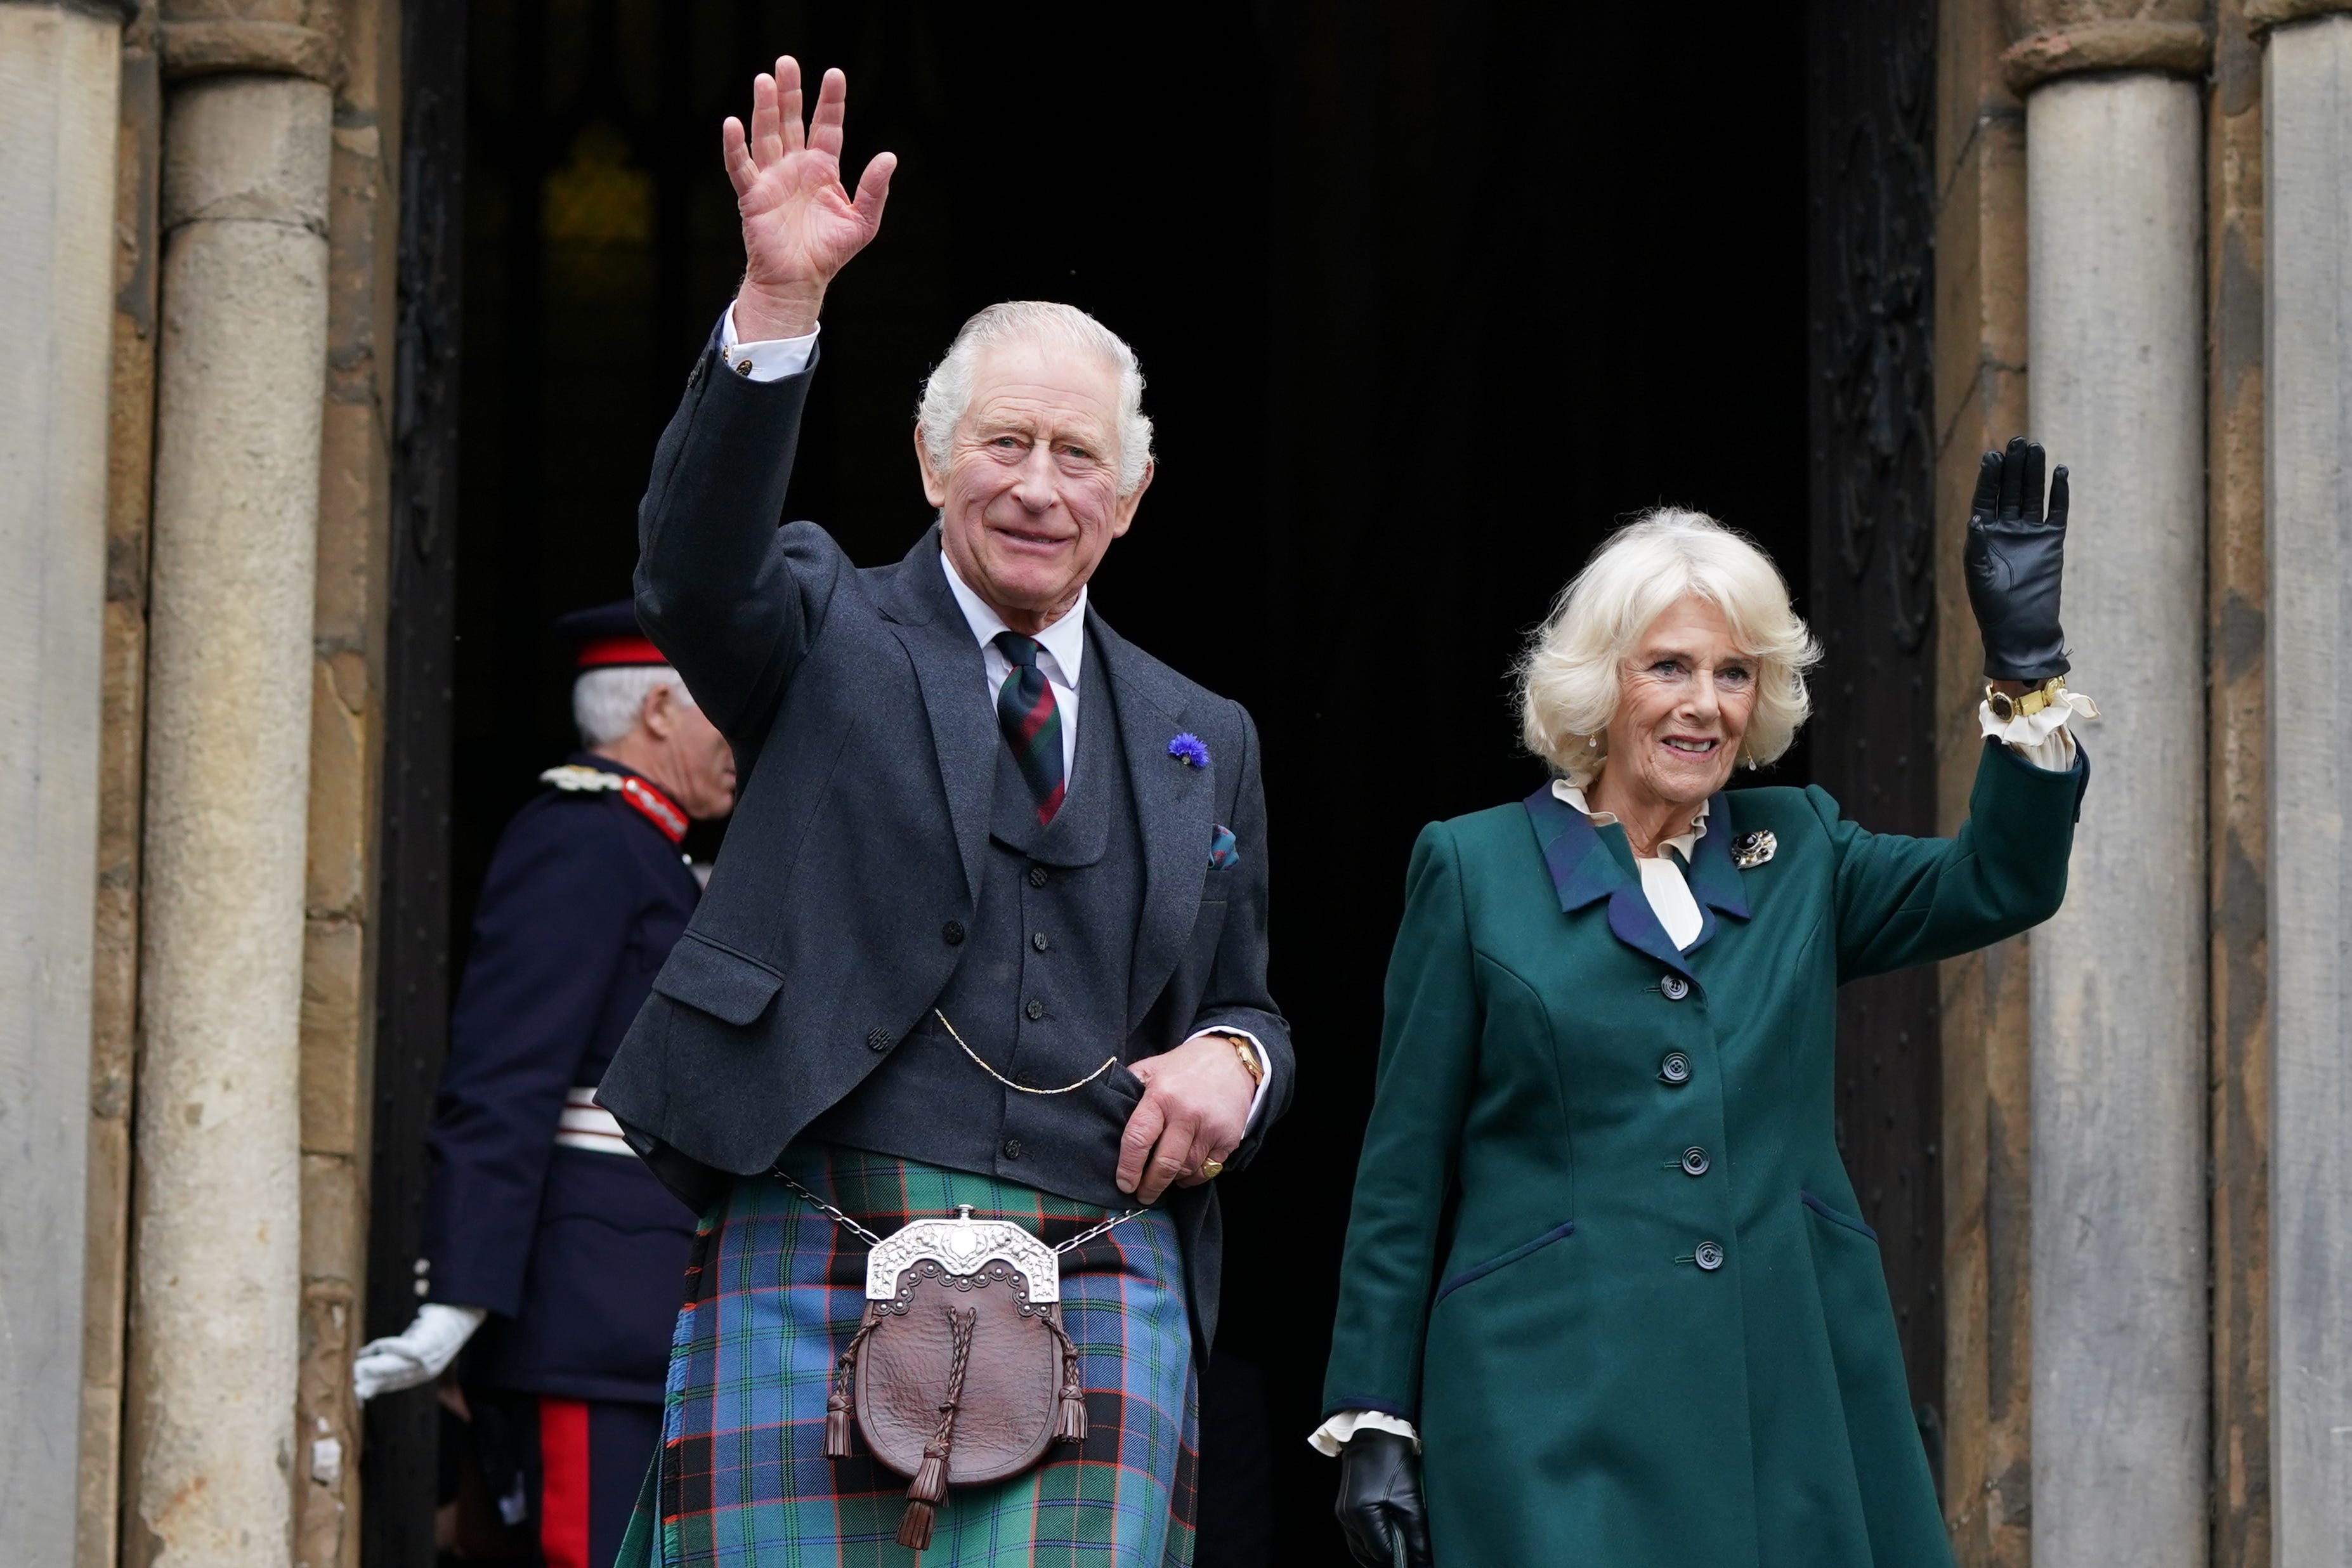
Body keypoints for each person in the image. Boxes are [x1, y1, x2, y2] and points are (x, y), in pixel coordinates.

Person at [594, 58, 1291, 1567]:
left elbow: (1244, 999)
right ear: (930, 460)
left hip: (1097, 1261)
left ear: (1136, 490)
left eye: (1077, 455)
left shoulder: (1202, 735)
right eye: (1003, 444)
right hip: (820, 1225)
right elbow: (692, 570)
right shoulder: (821, 628)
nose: (1039, 487)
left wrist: (1238, 1061)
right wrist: (779, 306)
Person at [1317, 443, 2093, 1566]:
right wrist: (1375, 1407)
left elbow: (2002, 882)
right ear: (1601, 683)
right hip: (1549, 1399)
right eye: (1669, 668)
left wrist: (2027, 666)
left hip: (1787, 1385)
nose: (1705, 706)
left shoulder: (1805, 850)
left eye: (1735, 674)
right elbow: (1405, 1160)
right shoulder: (1473, 868)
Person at [351, 603, 736, 1568]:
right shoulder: (583, 839)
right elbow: (506, 1077)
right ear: (658, 707)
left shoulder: (649, 850)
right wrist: (463, 1295)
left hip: (640, 1321)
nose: (746, 741)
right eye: (725, 712)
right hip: (585, 1321)